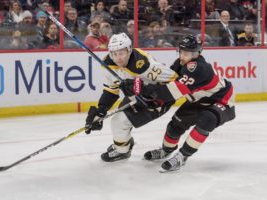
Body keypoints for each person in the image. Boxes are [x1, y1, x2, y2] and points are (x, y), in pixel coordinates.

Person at [121, 35, 236, 171]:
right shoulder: (179, 64)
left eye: (187, 53)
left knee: (207, 119)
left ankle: (182, 156)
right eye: (181, 52)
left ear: (197, 54)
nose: (182, 56)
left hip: (221, 99)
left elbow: (171, 91)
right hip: (198, 100)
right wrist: (149, 96)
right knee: (176, 124)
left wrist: (145, 91)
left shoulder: (198, 68)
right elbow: (165, 83)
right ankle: (166, 151)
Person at [84, 33, 178, 162]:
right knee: (120, 122)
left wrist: (148, 93)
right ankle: (124, 143)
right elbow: (111, 90)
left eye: (121, 53)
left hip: (158, 100)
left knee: (118, 122)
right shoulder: (108, 64)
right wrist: (101, 109)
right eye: (114, 54)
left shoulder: (143, 64)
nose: (118, 58)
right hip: (136, 96)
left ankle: (122, 151)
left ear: (129, 50)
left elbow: (174, 80)